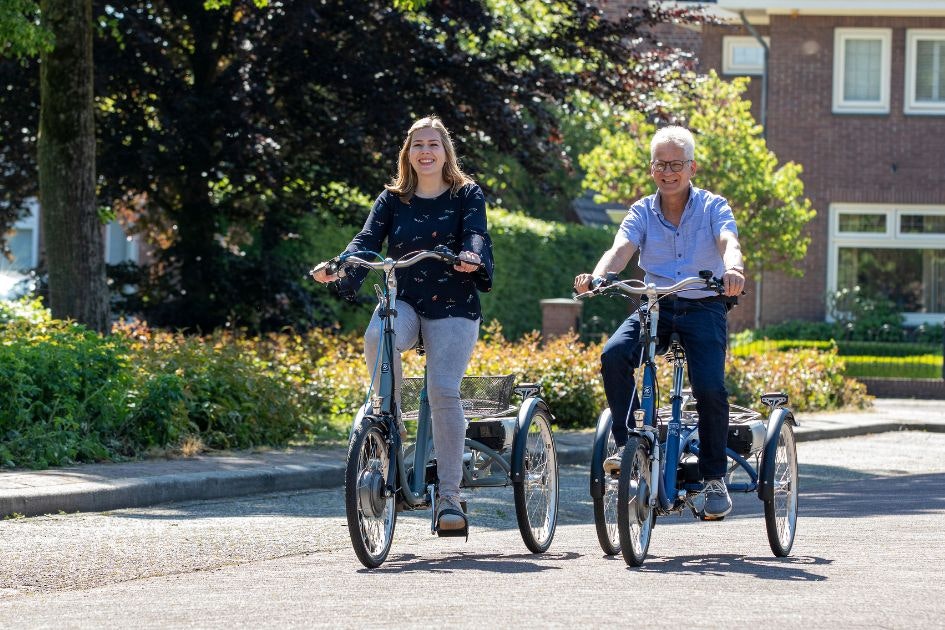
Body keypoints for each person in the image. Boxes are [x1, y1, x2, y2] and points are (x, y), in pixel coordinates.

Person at [311, 115, 493, 534]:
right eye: (417, 145)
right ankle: (386, 421)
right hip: (406, 297)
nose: (425, 152)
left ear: (445, 151)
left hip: (452, 301)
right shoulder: (393, 199)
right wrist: (340, 266)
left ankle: (450, 497)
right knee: (378, 334)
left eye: (433, 144)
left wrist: (470, 256)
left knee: (443, 390)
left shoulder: (466, 194)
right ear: (407, 154)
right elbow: (366, 240)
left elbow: (476, 235)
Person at [573, 125, 745, 519]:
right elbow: (620, 249)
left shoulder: (713, 206)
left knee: (710, 388)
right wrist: (598, 277)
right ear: (652, 169)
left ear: (691, 167)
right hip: (656, 305)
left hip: (704, 305)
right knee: (614, 354)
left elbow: (727, 241)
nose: (668, 172)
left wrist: (733, 268)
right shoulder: (641, 211)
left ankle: (714, 478)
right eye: (660, 165)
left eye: (676, 164)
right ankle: (629, 445)